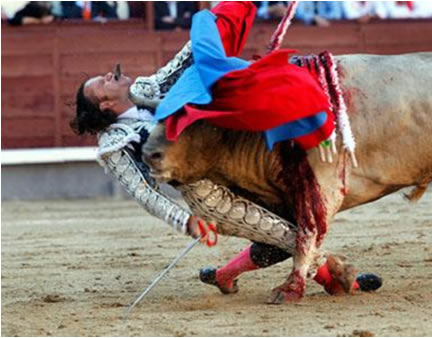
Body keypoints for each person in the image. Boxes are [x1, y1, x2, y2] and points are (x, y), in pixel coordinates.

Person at [72, 1, 382, 297]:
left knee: (290, 220)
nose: (111, 74)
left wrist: (211, 25)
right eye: (103, 82)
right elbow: (146, 193)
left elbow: (186, 61)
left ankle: (225, 275)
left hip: (232, 164)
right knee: (287, 234)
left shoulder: (146, 88)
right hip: (207, 193)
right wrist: (185, 220)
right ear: (107, 104)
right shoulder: (115, 145)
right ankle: (338, 282)